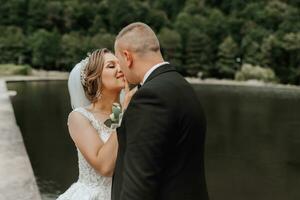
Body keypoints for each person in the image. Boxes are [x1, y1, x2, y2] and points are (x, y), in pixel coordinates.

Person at [112, 22, 209, 200]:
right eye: (110, 67)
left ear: (127, 57)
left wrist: (121, 110)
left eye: (116, 63)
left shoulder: (146, 98)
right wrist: (120, 110)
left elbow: (139, 182)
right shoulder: (181, 85)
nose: (119, 71)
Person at [57, 48, 136, 200]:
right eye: (111, 66)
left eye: (120, 64)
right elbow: (104, 166)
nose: (121, 69)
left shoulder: (118, 113)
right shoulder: (79, 117)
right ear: (95, 78)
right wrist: (125, 109)